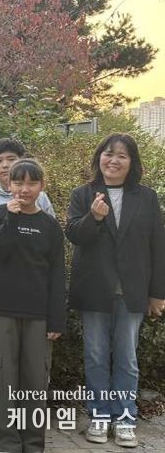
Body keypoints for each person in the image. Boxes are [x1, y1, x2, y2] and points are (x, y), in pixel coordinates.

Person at [66, 133, 165, 449]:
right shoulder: (83, 194)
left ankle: (125, 419)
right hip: (94, 289)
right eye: (109, 153)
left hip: (133, 290)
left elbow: (157, 246)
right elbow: (74, 235)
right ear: (99, 157)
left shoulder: (146, 197)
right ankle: (98, 416)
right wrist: (94, 217)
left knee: (127, 358)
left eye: (122, 155)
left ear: (132, 162)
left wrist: (158, 293)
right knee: (95, 356)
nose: (114, 160)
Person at [0, 138, 55, 425]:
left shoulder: (40, 197)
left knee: (28, 357)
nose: (5, 165)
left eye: (10, 159)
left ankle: (21, 413)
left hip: (31, 287)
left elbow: (49, 237)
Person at [0, 158, 66, 453]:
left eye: (32, 183)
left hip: (38, 314)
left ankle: (32, 444)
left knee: (35, 382)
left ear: (42, 186)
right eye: (18, 182)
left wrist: (56, 319)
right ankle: (6, 445)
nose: (25, 189)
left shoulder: (50, 226)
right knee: (2, 379)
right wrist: (11, 217)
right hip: (2, 310)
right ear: (9, 184)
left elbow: (57, 274)